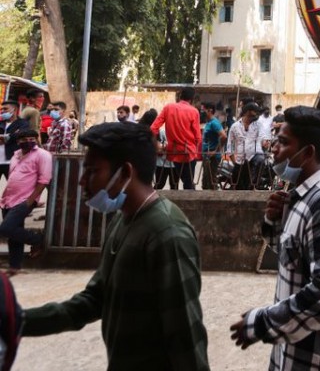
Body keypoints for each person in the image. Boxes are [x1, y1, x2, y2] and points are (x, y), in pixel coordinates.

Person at [22, 122, 208, 369]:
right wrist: (19, 320)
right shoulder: (121, 221)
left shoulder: (167, 235)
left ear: (125, 173)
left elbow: (185, 336)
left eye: (92, 171)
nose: (82, 182)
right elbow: (94, 299)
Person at [230, 106, 320, 370]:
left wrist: (263, 322)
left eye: (284, 142)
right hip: (294, 354)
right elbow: (292, 257)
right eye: (276, 139)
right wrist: (273, 220)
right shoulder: (301, 195)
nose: (275, 148)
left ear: (308, 153)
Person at [0, 130, 49, 274]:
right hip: (9, 199)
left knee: (6, 228)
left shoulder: (42, 155)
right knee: (13, 233)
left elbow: (44, 180)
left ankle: (38, 240)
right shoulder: (15, 155)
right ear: (18, 141)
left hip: (25, 199)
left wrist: (31, 200)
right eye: (25, 139)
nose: (28, 141)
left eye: (32, 138)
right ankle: (15, 266)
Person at [150, 87, 201, 190]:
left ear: (180, 96)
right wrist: (196, 151)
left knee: (183, 181)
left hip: (173, 152)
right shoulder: (194, 111)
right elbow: (198, 137)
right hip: (189, 152)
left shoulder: (168, 108)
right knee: (188, 183)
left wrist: (156, 144)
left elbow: (153, 128)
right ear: (191, 99)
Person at [225, 102, 263, 190]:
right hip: (239, 161)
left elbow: (260, 140)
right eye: (252, 115)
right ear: (247, 113)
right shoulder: (235, 127)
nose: (254, 117)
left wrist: (263, 144)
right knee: (238, 187)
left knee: (261, 160)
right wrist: (234, 161)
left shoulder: (258, 125)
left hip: (253, 158)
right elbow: (230, 146)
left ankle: (255, 185)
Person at [0, 101, 29, 181]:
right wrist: (11, 136)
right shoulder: (1, 123)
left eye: (5, 109)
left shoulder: (23, 123)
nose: (2, 111)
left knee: (14, 187)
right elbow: (15, 136)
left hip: (12, 160)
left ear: (15, 109)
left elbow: (20, 135)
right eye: (1, 109)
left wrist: (5, 138)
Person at [201, 103, 226, 190]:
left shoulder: (214, 123)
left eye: (203, 110)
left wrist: (215, 151)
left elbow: (223, 136)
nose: (201, 112)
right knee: (206, 182)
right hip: (207, 155)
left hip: (212, 157)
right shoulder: (209, 123)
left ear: (210, 110)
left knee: (211, 182)